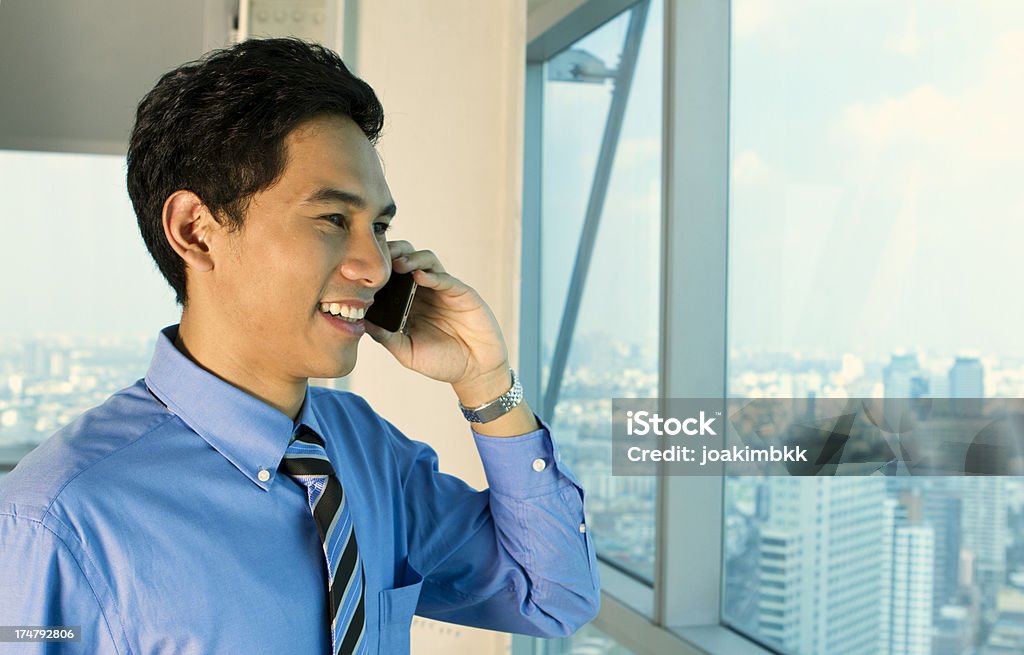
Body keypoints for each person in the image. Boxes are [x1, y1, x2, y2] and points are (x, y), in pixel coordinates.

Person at [0, 38, 599, 654]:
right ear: (195, 232)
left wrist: (487, 380)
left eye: (381, 227)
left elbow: (551, 595)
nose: (373, 266)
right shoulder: (51, 523)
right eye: (334, 220)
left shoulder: (366, 453)